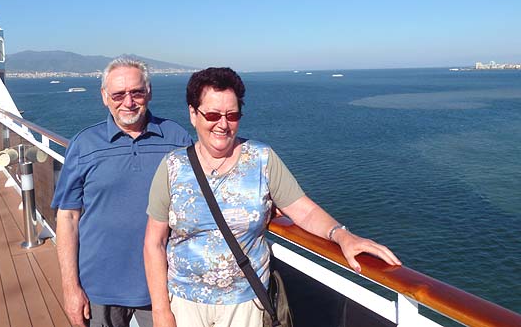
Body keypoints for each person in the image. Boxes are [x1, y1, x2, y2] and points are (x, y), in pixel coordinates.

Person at [144, 67, 401, 327]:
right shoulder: (172, 167)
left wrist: (342, 235)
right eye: (212, 114)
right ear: (193, 114)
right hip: (184, 304)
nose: (223, 124)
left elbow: (304, 210)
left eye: (232, 116)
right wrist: (160, 311)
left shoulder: (261, 160)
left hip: (246, 304)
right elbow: (154, 242)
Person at [52, 58, 192, 327]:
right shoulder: (84, 144)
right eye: (118, 94)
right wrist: (70, 288)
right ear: (105, 97)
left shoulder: (176, 138)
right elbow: (68, 217)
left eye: (136, 92)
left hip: (164, 284)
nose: (128, 102)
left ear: (149, 92)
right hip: (99, 287)